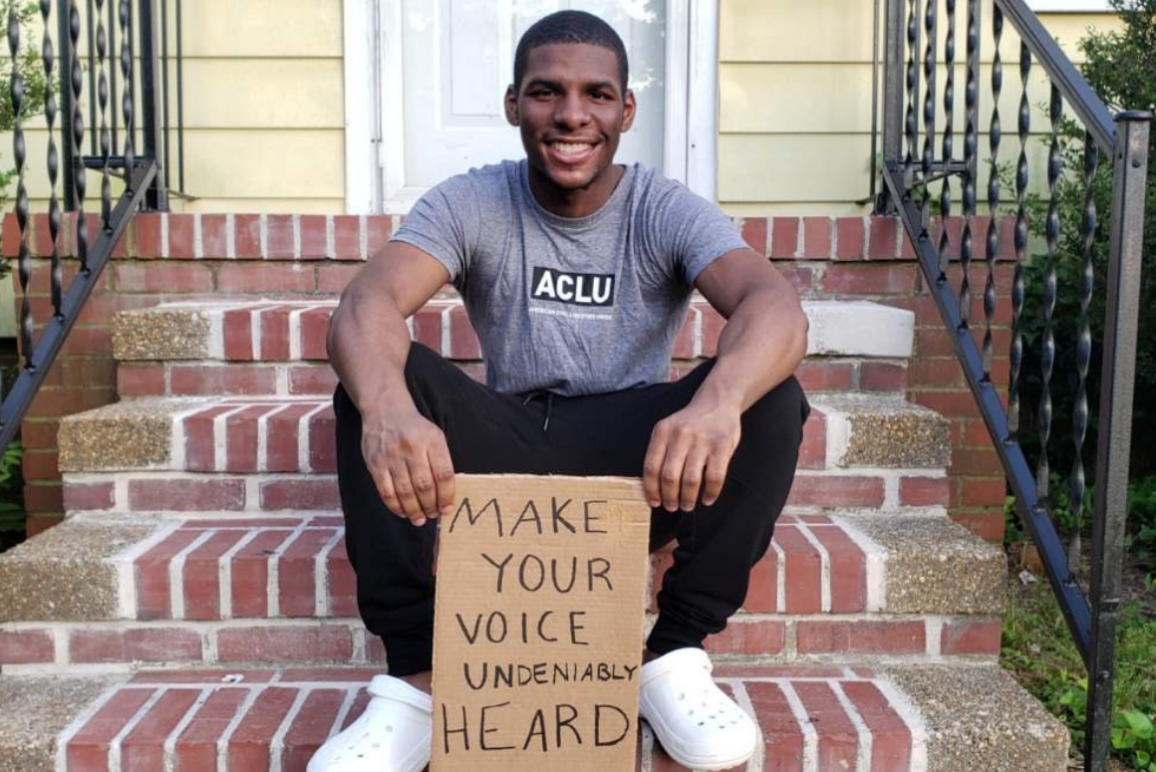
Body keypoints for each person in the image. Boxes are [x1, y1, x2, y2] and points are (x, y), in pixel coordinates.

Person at [309, 10, 809, 772]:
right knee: (377, 377)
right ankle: (416, 677)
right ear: (514, 104)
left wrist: (714, 401)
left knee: (768, 394)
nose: (572, 115)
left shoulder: (662, 207)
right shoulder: (471, 200)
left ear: (625, 110)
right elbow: (365, 304)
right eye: (547, 93)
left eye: (597, 95)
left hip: (632, 467)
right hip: (504, 451)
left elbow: (775, 306)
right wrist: (386, 410)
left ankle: (670, 658)